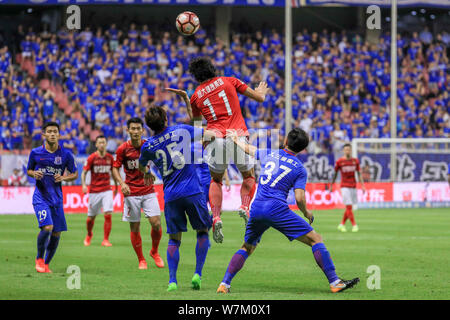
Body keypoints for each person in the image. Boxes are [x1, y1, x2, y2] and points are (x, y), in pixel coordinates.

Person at [217, 128, 359, 294]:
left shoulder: (270, 154)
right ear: (302, 149)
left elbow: (250, 149)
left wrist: (235, 140)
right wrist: (307, 213)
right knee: (315, 239)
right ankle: (335, 281)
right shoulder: (299, 168)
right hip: (276, 208)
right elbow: (299, 198)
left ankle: (224, 284)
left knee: (247, 247)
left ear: (285, 142)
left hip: (256, 207)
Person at [166, 57, 269, 244]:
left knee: (216, 180)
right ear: (212, 69)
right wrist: (261, 91)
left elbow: (197, 124)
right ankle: (245, 207)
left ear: (196, 77)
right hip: (237, 136)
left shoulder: (196, 95)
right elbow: (260, 98)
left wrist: (187, 101)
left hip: (215, 139)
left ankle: (216, 217)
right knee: (248, 176)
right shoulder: (230, 80)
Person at [139, 106, 213, 292]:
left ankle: (172, 281)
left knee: (174, 239)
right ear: (166, 119)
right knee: (203, 231)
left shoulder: (147, 146)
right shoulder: (181, 130)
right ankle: (197, 274)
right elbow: (210, 133)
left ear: (149, 126)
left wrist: (148, 172)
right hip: (193, 191)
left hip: (171, 195)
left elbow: (141, 167)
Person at [111, 117, 164, 270]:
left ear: (142, 130)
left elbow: (159, 160)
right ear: (127, 130)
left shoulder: (148, 145)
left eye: (138, 128)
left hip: (148, 190)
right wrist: (122, 183)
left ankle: (154, 251)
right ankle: (141, 259)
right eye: (132, 129)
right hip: (131, 192)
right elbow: (115, 167)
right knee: (135, 227)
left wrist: (153, 172)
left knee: (156, 223)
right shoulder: (122, 149)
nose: (135, 131)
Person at [26, 121, 78, 273]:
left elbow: (74, 173)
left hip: (57, 198)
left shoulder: (66, 155)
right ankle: (39, 258)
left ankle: (46, 264)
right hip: (40, 196)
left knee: (56, 232)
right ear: (44, 134)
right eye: (49, 131)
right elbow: (29, 170)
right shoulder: (35, 153)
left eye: (55, 131)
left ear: (59, 135)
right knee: (47, 227)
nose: (53, 134)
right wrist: (33, 174)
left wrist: (63, 178)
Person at [81, 135, 117, 247]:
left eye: (103, 142)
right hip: (94, 191)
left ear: (106, 144)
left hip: (107, 189)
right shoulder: (92, 158)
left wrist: (116, 186)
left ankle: (105, 239)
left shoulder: (110, 158)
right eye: (99, 142)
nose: (102, 144)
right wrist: (83, 185)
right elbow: (84, 173)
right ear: (96, 145)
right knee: (90, 218)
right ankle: (89, 234)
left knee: (108, 214)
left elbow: (114, 173)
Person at [330, 143, 366, 233]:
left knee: (349, 208)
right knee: (349, 206)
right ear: (343, 151)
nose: (347, 151)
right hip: (344, 186)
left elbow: (359, 173)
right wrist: (332, 185)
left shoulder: (355, 161)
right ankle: (354, 225)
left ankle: (341, 224)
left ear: (351, 150)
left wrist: (362, 185)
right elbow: (335, 174)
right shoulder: (340, 162)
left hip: (353, 186)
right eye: (346, 150)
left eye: (349, 150)